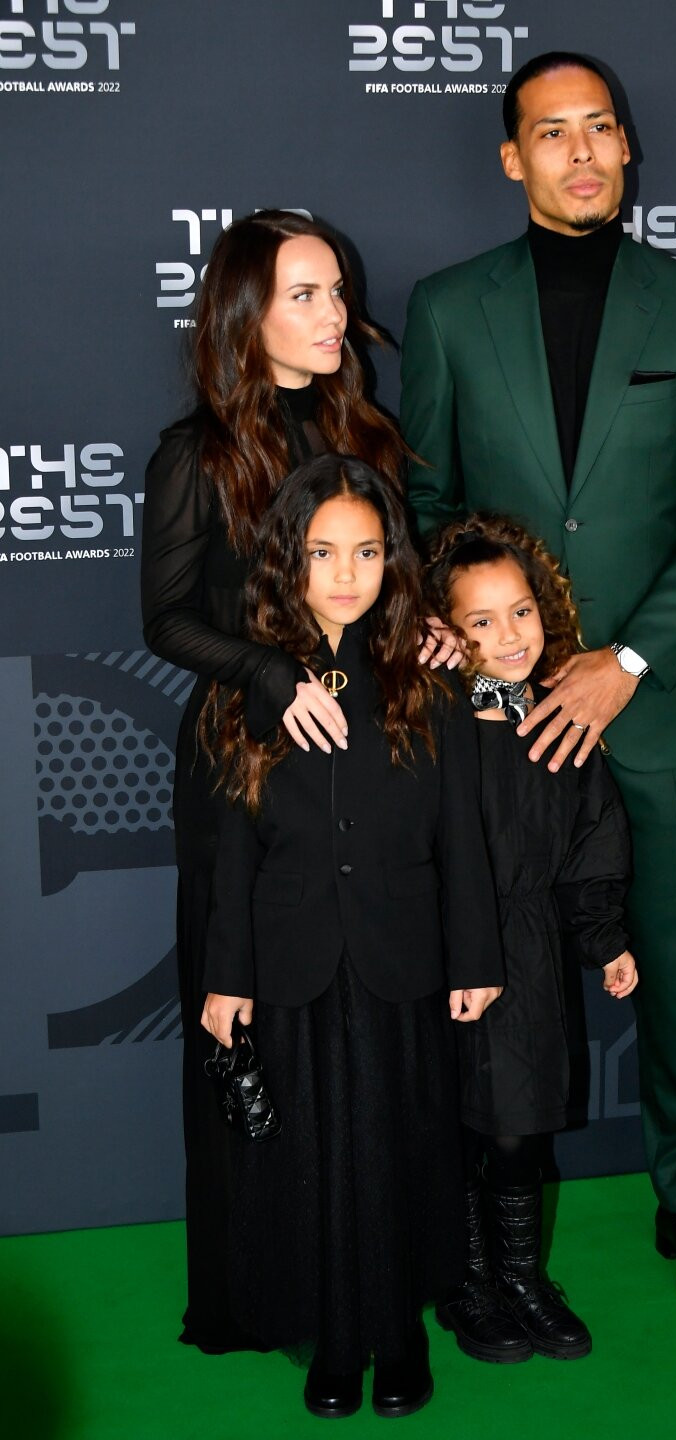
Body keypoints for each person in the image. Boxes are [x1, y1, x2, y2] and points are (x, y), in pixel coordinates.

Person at [400, 52, 676, 1316]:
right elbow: (429, 507)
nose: (580, 152)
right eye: (551, 132)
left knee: (672, 962)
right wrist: (478, 647)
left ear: (626, 147)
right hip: (496, 720)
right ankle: (480, 1224)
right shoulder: (449, 309)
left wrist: (624, 659)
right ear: (513, 158)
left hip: (651, 704)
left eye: (599, 127)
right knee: (489, 962)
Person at [141, 210, 410, 1352]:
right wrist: (267, 672)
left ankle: (372, 1275)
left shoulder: (368, 432)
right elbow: (164, 619)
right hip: (245, 765)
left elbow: (393, 587)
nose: (335, 313)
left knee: (364, 1031)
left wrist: (425, 631)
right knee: (244, 1025)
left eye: (338, 291)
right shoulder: (197, 453)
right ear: (247, 314)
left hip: (368, 760)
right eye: (305, 294)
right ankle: (260, 1291)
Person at [200, 455, 504, 1418]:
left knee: (404, 1149)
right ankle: (335, 1342)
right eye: (323, 552)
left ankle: (400, 1336)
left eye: (367, 552)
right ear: (287, 558)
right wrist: (227, 976)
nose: (345, 573)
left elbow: (462, 831)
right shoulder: (250, 682)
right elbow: (229, 850)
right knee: (312, 1162)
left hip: (401, 955)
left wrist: (475, 956)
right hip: (291, 961)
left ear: (391, 559)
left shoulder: (427, 676)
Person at [423, 514, 637, 1365]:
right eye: (481, 621)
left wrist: (604, 937)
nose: (510, 635)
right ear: (447, 632)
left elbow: (594, 842)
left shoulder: (562, 722)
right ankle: (465, 1278)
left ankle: (521, 1278)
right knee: (456, 1128)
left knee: (520, 1131)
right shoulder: (431, 726)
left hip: (531, 957)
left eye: (521, 611)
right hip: (445, 956)